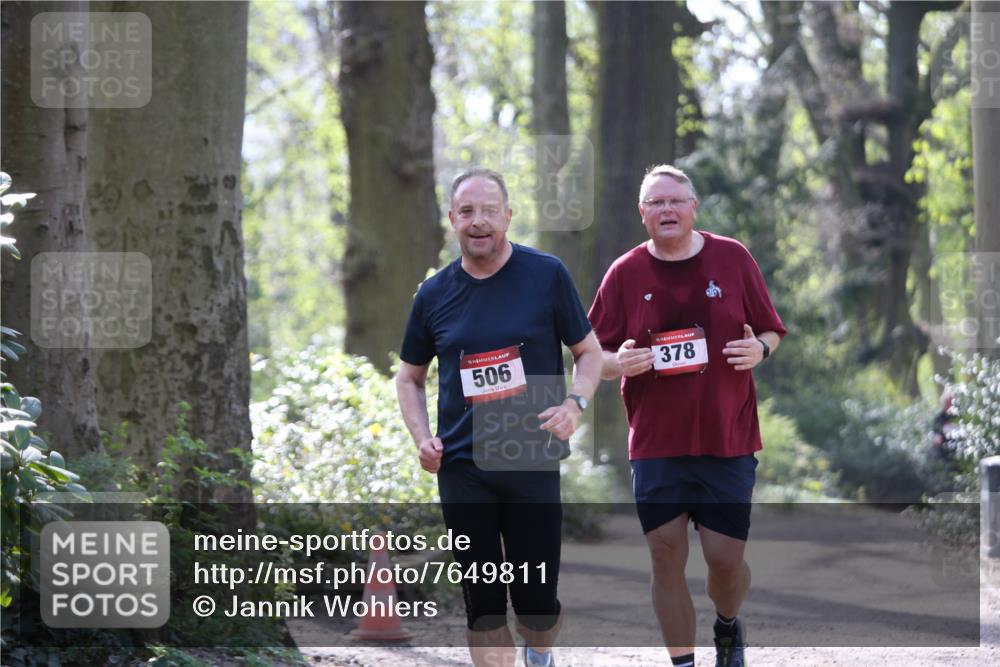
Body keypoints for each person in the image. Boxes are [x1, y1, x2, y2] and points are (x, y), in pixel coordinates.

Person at [395, 168, 602, 667]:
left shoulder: (546, 274)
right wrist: (423, 438)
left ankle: (539, 649)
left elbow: (589, 353)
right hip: (463, 466)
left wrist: (574, 404)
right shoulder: (434, 294)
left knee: (536, 606)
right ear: (452, 220)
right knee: (483, 606)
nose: (479, 221)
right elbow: (409, 377)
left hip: (531, 456)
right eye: (467, 211)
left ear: (508, 216)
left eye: (489, 211)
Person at [588, 165, 786, 667]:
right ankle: (683, 663)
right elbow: (593, 355)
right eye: (656, 203)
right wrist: (617, 363)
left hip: (727, 435)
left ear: (694, 208)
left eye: (675, 200)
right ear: (642, 213)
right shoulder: (625, 273)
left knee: (725, 562)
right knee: (665, 556)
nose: (667, 209)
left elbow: (770, 329)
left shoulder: (732, 257)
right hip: (657, 441)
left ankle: (727, 624)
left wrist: (759, 350)